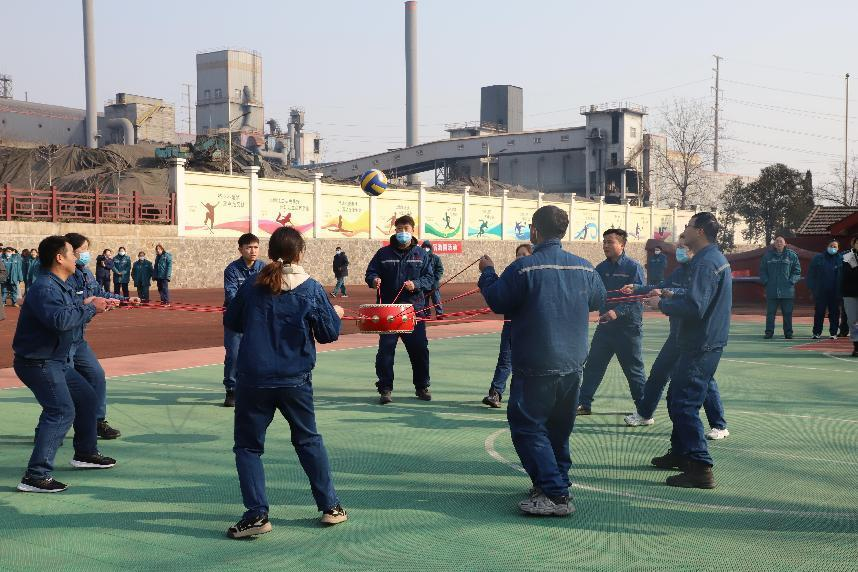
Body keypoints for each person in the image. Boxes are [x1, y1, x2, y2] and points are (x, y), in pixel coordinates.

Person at [479, 206, 606, 516]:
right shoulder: (585, 268)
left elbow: (497, 300)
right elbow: (599, 299)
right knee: (558, 429)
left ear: (534, 231)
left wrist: (487, 272)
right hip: (573, 362)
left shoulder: (523, 268)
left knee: (528, 428)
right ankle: (555, 481)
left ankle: (554, 493)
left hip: (537, 362)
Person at [223, 226, 348, 538]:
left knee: (248, 447)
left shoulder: (253, 285)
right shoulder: (311, 288)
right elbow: (328, 333)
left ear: (269, 253)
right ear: (300, 253)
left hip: (254, 378)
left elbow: (232, 321)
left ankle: (256, 514)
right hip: (295, 379)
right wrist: (335, 313)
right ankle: (330, 506)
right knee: (308, 440)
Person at [12, 236, 116, 493]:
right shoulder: (45, 287)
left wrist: (88, 304)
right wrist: (90, 309)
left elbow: (67, 311)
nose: (77, 257)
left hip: (55, 360)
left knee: (87, 397)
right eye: (73, 253)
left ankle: (85, 453)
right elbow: (59, 320)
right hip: (39, 362)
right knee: (60, 411)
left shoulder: (60, 285)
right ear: (60, 258)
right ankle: (36, 475)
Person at [651, 212, 732, 489]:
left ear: (700, 231)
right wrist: (673, 295)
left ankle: (700, 465)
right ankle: (681, 452)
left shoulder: (706, 262)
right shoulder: (712, 259)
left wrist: (661, 305)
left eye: (688, 225)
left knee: (684, 403)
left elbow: (696, 307)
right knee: (677, 396)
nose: (684, 230)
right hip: (702, 340)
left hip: (701, 342)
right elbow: (699, 298)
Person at [622, 235, 730, 440]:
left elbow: (692, 297)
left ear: (693, 249)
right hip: (677, 335)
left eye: (683, 247)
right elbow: (662, 286)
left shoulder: (702, 269)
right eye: (678, 246)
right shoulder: (680, 271)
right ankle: (645, 414)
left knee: (704, 381)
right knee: (658, 373)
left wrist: (666, 296)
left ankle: (719, 425)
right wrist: (637, 288)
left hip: (696, 337)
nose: (679, 250)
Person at [66, 233, 136, 440]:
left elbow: (100, 293)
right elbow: (67, 308)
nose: (86, 254)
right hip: (62, 340)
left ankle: (97, 422)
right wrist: (92, 305)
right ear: (69, 252)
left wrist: (124, 300)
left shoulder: (86, 272)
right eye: (82, 250)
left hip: (78, 339)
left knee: (96, 375)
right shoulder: (62, 276)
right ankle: (49, 430)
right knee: (63, 386)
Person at [365, 215, 435, 404]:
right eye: (399, 229)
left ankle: (422, 386)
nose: (402, 232)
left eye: (406, 229)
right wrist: (374, 280)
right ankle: (385, 389)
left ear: (413, 231)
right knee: (385, 351)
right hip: (389, 310)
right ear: (395, 231)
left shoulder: (421, 254)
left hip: (414, 310)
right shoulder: (383, 253)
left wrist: (416, 284)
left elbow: (430, 278)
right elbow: (370, 272)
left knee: (419, 350)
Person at [576, 228, 647, 415]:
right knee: (593, 366)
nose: (606, 245)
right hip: (605, 328)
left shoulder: (633, 267)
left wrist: (616, 312)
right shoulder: (600, 268)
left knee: (633, 370)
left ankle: (644, 410)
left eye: (610, 242)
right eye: (604, 242)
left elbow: (637, 296)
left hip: (628, 329)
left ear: (622, 245)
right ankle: (584, 403)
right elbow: (594, 294)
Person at [481, 243, 532, 408]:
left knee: (528, 363)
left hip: (531, 328)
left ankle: (526, 397)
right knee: (505, 360)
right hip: (511, 325)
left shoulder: (536, 274)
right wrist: (489, 273)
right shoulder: (510, 272)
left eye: (524, 254)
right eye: (518, 254)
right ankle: (495, 393)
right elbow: (498, 291)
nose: (520, 257)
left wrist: (488, 272)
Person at [222, 233, 266, 408]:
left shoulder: (264, 268)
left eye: (256, 247)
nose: (253, 251)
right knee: (234, 355)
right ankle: (231, 390)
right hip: (236, 320)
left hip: (257, 321)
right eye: (249, 247)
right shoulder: (232, 270)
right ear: (240, 249)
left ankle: (255, 389)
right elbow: (231, 295)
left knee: (258, 355)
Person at [759, 236, 801, 339]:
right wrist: (766, 282)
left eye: (781, 241)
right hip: (772, 290)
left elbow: (797, 271)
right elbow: (762, 271)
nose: (779, 243)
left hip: (787, 291)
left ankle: (788, 333)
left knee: (787, 313)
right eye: (777, 241)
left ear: (785, 243)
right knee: (770, 313)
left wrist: (791, 281)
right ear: (774, 244)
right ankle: (769, 332)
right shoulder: (767, 256)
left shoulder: (792, 255)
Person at [807, 239, 843, 340]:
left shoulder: (841, 259)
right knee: (819, 312)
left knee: (834, 313)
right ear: (827, 246)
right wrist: (812, 288)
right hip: (821, 292)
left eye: (835, 247)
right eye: (831, 246)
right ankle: (816, 332)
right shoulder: (818, 258)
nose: (833, 248)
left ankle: (833, 333)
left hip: (835, 292)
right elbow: (811, 274)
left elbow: (844, 276)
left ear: (838, 249)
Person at [841, 235, 858, 357]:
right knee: (852, 320)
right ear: (854, 244)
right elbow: (848, 274)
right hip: (850, 293)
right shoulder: (847, 257)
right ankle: (856, 346)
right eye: (857, 243)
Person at [421, 240, 445, 319]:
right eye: (424, 247)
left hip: (434, 284)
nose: (426, 249)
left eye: (427, 247)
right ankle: (427, 314)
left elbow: (440, 269)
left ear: (431, 248)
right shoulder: (420, 258)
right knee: (424, 301)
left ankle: (439, 314)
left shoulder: (436, 258)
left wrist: (435, 279)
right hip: (424, 284)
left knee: (436, 299)